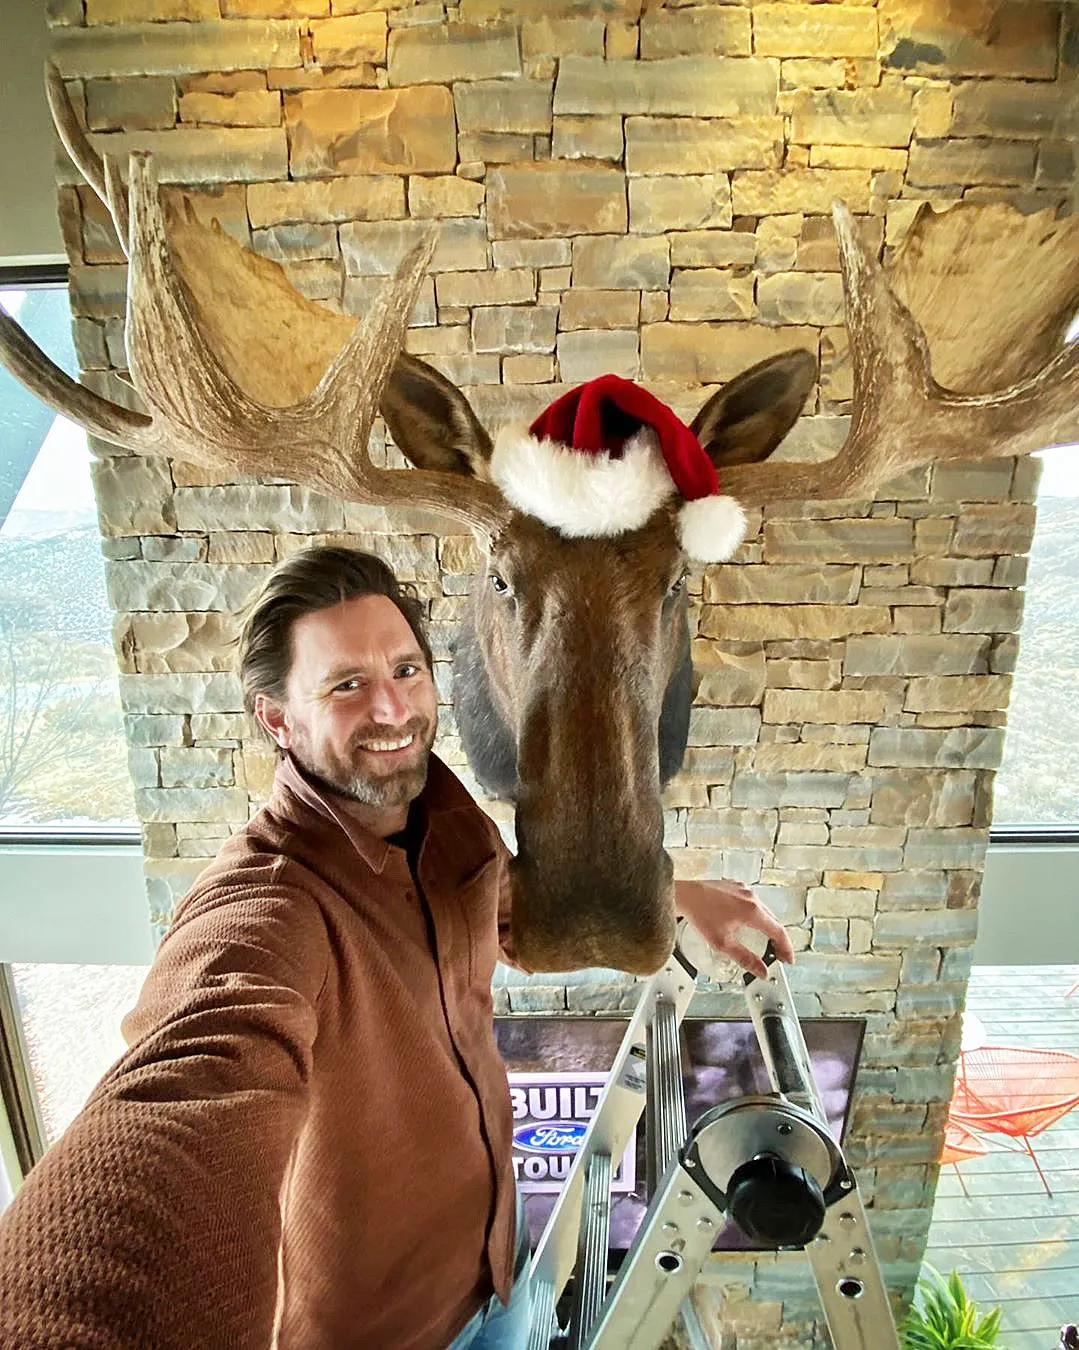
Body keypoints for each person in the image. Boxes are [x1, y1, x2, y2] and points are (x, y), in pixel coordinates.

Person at [0, 545, 794, 1350]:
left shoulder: (444, 816)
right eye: (345, 684)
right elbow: (188, 1096)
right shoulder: (266, 906)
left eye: (406, 670)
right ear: (277, 718)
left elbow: (516, 916)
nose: (392, 708)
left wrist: (674, 894)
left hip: (502, 1271)